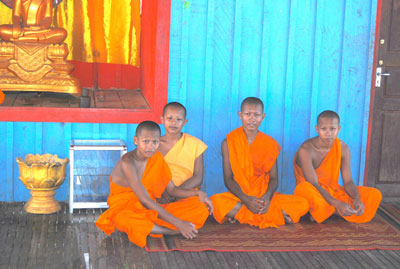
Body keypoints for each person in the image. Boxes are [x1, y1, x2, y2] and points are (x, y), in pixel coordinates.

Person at [96, 121, 211, 248]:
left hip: (151, 206)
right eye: (146, 141)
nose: (150, 147)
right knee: (124, 220)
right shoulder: (128, 163)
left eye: (155, 142)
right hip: (126, 208)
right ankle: (170, 231)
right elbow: (144, 200)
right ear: (136, 140)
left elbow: (172, 190)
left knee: (199, 207)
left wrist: (198, 193)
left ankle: (155, 228)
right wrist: (179, 224)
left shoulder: (157, 158)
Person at [211, 97, 309, 228]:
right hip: (240, 196)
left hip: (264, 197)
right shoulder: (228, 142)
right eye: (247, 114)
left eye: (256, 115)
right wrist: (246, 200)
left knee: (303, 203)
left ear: (263, 117)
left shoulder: (269, 144)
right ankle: (275, 216)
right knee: (215, 202)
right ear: (240, 115)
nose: (252, 119)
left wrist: (267, 197)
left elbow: (274, 179)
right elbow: (228, 179)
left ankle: (242, 215)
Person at [294, 110, 382, 223]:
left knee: (374, 194)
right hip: (314, 192)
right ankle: (338, 211)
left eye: (332, 129)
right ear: (317, 129)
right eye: (323, 129)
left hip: (333, 191)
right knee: (304, 189)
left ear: (338, 129)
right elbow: (313, 184)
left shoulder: (343, 148)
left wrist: (356, 199)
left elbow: (348, 181)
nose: (328, 133)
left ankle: (329, 212)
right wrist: (337, 203)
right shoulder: (306, 149)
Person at [157, 102, 213, 215]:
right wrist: (164, 193)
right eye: (169, 118)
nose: (174, 122)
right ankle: (174, 226)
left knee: (201, 209)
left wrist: (176, 192)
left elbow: (198, 177)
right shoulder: (154, 145)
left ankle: (160, 225)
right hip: (160, 194)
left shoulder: (195, 144)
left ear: (184, 122)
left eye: (178, 119)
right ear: (162, 120)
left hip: (185, 194)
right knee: (141, 203)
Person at [0, 0, 67, 44]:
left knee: (62, 33)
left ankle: (21, 39)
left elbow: (48, 17)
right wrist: (16, 26)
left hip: (41, 29)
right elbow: (16, 15)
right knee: (2, 30)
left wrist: (41, 27)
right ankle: (33, 38)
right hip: (24, 28)